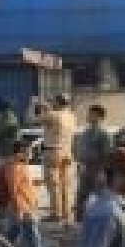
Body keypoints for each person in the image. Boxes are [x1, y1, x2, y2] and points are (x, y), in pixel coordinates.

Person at [2, 138, 57, 247]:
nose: (31, 154)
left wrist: (38, 182)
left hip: (25, 207)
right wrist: (19, 209)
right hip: (23, 209)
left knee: (11, 238)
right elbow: (13, 190)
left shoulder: (22, 166)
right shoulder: (15, 167)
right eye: (29, 151)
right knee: (33, 238)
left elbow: (24, 184)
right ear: (20, 152)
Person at [39, 94, 78, 227]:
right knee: (65, 184)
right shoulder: (71, 116)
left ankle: (56, 213)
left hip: (53, 150)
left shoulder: (54, 115)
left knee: (53, 184)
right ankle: (66, 212)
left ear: (58, 102)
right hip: (67, 151)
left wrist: (42, 105)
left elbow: (33, 117)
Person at [77, 105, 115, 223]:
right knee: (81, 197)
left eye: (91, 114)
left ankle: (102, 223)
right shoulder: (85, 132)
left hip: (97, 170)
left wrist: (102, 172)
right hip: (85, 169)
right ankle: (80, 223)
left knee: (101, 199)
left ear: (99, 116)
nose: (88, 116)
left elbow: (107, 155)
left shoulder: (104, 134)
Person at [0, 99, 21, 165]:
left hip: (9, 147)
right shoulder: (7, 116)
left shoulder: (9, 116)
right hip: (8, 147)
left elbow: (6, 127)